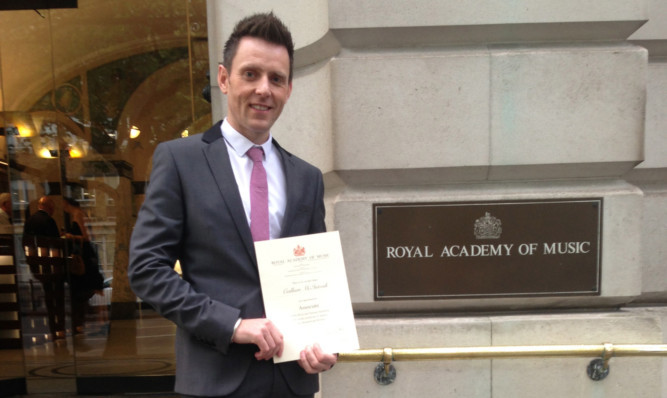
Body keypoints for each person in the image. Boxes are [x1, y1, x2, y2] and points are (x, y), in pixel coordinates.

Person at [129, 12, 336, 398]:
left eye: (276, 79)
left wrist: (324, 341)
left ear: (289, 89)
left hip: (292, 382)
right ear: (224, 79)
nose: (264, 89)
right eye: (251, 74)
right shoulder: (180, 161)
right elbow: (146, 270)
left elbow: (315, 279)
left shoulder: (307, 178)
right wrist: (234, 325)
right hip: (215, 378)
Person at [23, 196, 66, 340]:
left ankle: (49, 327)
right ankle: (59, 327)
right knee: (57, 297)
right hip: (52, 267)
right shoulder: (49, 221)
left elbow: (26, 243)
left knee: (45, 296)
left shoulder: (29, 221)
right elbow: (55, 244)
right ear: (49, 208)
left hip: (36, 266)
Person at [62, 197, 104, 335]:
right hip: (86, 254)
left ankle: (93, 322)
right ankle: (93, 321)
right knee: (90, 287)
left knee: (86, 287)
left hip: (83, 255)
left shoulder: (78, 214)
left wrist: (70, 236)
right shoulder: (80, 214)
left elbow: (86, 237)